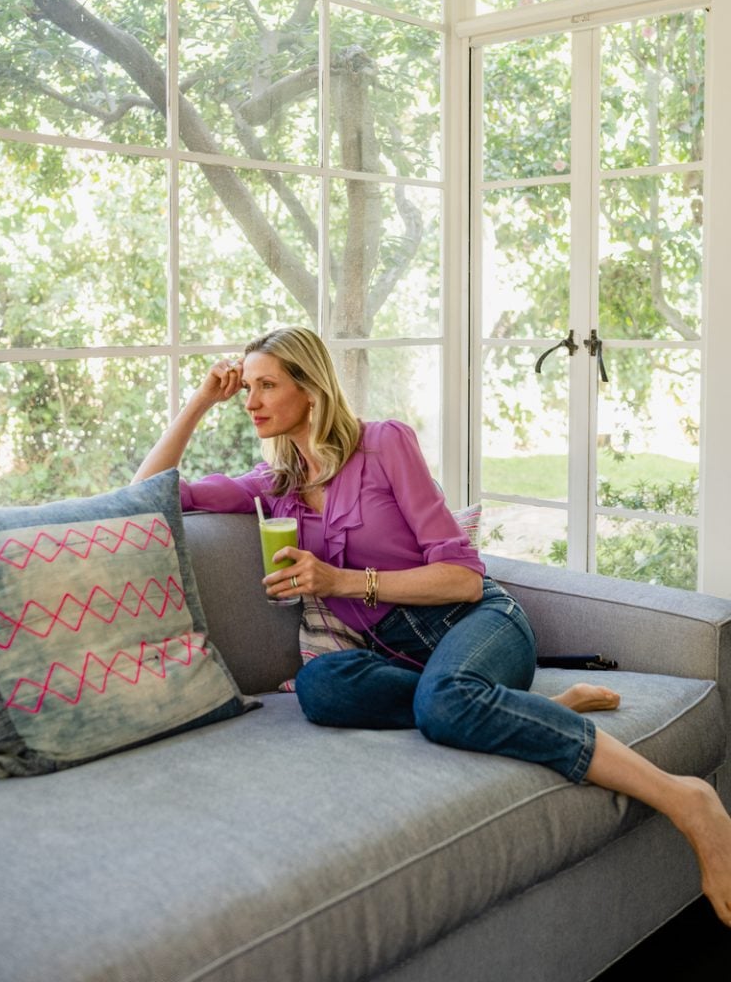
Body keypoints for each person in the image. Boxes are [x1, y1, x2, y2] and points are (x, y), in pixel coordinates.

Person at [134, 325, 731, 926]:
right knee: (322, 688)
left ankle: (686, 797)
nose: (252, 400)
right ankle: (510, 707)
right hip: (398, 655)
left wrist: (340, 581)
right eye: (247, 388)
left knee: (445, 701)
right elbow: (145, 494)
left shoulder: (383, 444)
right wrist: (199, 402)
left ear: (310, 390)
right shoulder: (276, 488)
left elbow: (463, 578)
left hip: (476, 622)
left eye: (267, 385)